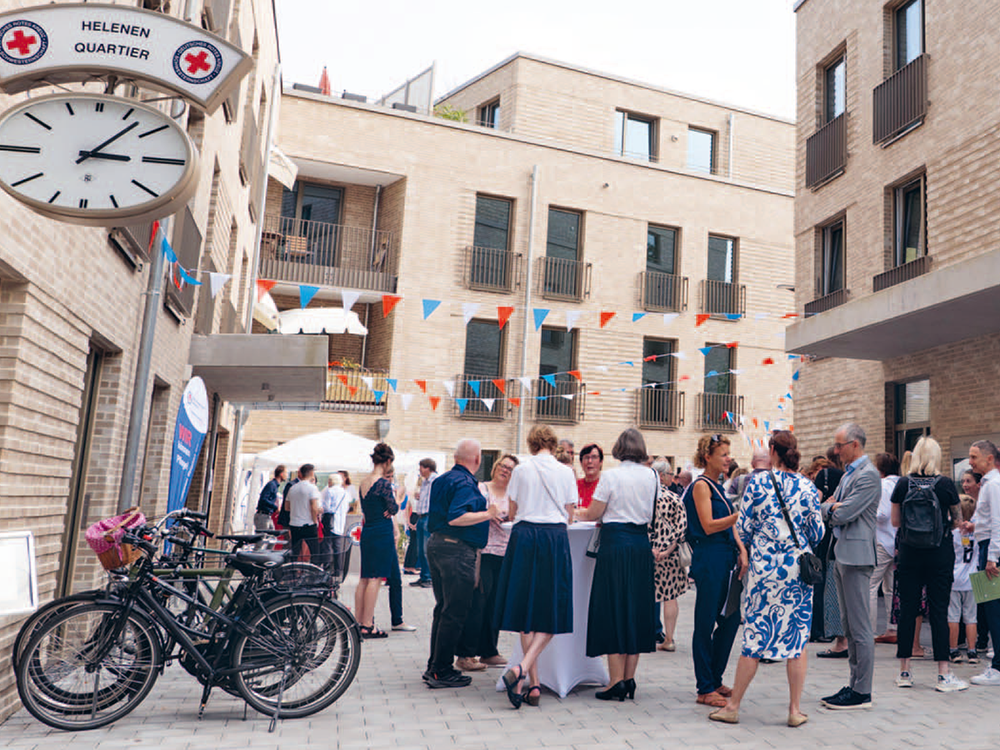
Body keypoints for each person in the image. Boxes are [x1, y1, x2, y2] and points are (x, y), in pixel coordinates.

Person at [709, 430, 823, 727]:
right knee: (797, 640)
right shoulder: (807, 487)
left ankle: (733, 706)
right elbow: (818, 533)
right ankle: (795, 710)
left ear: (772, 451)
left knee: (754, 638)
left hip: (763, 572)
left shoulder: (758, 483)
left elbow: (743, 529)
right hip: (797, 572)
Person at [495, 425, 577, 709]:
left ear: (531, 444)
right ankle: (526, 675)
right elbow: (570, 514)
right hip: (553, 538)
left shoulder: (521, 470)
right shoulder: (566, 472)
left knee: (526, 611)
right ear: (554, 445)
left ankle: (529, 680)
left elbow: (513, 510)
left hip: (525, 536)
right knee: (552, 609)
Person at [577, 428, 658, 701]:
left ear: (619, 448)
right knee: (635, 610)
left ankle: (615, 681)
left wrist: (573, 512)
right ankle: (629, 678)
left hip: (615, 544)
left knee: (613, 609)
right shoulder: (652, 475)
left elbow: (593, 512)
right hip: (640, 545)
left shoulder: (611, 476)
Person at [890, 436, 967, 692]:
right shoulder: (945, 484)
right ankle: (943, 674)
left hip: (909, 553)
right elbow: (957, 521)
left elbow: (895, 522)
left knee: (908, 610)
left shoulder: (903, 484)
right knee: (939, 610)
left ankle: (904, 671)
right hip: (939, 553)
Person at [423, 439, 497, 689]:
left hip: (437, 545)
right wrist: (489, 514)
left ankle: (434, 665)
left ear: (456, 458)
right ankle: (441, 670)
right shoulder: (466, 483)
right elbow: (457, 517)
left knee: (443, 609)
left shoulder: (443, 479)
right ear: (477, 459)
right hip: (456, 550)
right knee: (454, 612)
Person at [683, 433, 747, 708]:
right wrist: (739, 515)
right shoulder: (701, 486)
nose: (728, 459)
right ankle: (704, 687)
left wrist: (741, 549)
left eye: (728, 454)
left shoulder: (717, 486)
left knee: (730, 619)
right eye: (723, 454)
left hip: (726, 556)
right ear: (707, 457)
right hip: (709, 556)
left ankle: (715, 676)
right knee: (706, 620)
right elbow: (709, 525)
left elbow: (730, 526)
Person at [819, 423, 880, 710]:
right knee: (849, 625)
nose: (835, 450)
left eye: (839, 445)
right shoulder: (849, 474)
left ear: (855, 444)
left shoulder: (868, 475)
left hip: (857, 556)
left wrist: (831, 507)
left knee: (860, 627)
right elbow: (829, 507)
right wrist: (831, 507)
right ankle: (855, 684)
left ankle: (862, 691)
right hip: (843, 553)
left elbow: (843, 513)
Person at [456, 453, 519, 672]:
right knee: (478, 603)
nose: (505, 470)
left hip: (505, 554)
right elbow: (470, 513)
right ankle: (465, 654)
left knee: (495, 604)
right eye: (502, 465)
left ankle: (489, 651)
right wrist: (488, 514)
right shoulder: (482, 489)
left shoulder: (514, 495)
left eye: (510, 469)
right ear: (495, 467)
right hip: (483, 552)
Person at [355, 443, 399, 639]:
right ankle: (367, 625)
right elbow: (393, 508)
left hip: (368, 530)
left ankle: (358, 622)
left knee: (364, 578)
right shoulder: (383, 483)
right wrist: (395, 501)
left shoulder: (363, 482)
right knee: (376, 578)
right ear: (388, 461)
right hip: (382, 531)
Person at [967, 440, 1000, 686]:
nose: (970, 462)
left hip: (989, 549)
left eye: (974, 457)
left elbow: (998, 522)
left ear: (989, 458)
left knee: (992, 608)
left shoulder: (993, 484)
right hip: (985, 546)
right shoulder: (989, 484)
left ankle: (998, 666)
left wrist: (992, 557)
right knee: (989, 606)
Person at [650, 459, 688, 653]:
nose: (672, 477)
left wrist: (652, 548)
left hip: (648, 552)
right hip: (670, 555)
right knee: (670, 597)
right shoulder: (675, 499)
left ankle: (644, 635)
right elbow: (682, 530)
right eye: (670, 474)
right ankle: (669, 639)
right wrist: (667, 551)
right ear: (662, 476)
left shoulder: (646, 498)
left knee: (646, 595)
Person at [872, 453, 901, 643]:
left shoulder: (882, 485)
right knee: (891, 588)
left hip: (882, 540)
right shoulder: (901, 483)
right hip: (897, 542)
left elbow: (882, 514)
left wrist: (865, 512)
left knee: (870, 585)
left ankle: (869, 631)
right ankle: (893, 628)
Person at [949, 495, 979, 663]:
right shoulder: (977, 533)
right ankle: (972, 651)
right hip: (972, 578)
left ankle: (954, 651)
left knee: (953, 617)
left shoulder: (953, 534)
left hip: (954, 578)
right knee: (971, 618)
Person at [410, 458, 438, 589]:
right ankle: (423, 576)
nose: (419, 470)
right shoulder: (425, 482)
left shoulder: (435, 481)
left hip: (428, 517)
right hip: (421, 517)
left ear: (428, 468)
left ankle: (429, 577)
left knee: (426, 549)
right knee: (420, 549)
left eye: (421, 467)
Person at [286, 463, 322, 563]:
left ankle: (293, 570)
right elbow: (313, 506)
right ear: (312, 473)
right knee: (315, 552)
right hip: (308, 523)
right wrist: (315, 521)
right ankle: (313, 570)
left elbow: (287, 507)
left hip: (294, 524)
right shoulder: (312, 488)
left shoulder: (292, 488)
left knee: (295, 552)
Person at [319, 472, 351, 579]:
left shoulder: (329, 491)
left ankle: (326, 568)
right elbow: (346, 507)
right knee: (337, 547)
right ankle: (338, 570)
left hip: (329, 521)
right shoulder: (345, 493)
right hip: (340, 523)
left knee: (326, 545)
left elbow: (326, 506)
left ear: (331, 481)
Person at [255, 464, 285, 531]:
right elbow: (263, 499)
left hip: (267, 515)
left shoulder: (274, 485)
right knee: (263, 535)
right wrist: (275, 507)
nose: (287, 475)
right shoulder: (271, 485)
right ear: (281, 474)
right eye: (286, 473)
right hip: (263, 515)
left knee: (272, 533)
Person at [577, 443, 603, 509]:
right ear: (581, 462)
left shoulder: (605, 486)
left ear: (601, 462)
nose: (590, 461)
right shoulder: (575, 486)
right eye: (586, 457)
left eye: (594, 457)